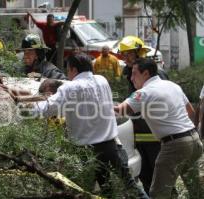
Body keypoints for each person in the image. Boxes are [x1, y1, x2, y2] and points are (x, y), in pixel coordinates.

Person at [34, 52, 148, 198]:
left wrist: (23, 108)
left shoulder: (70, 88)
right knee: (127, 186)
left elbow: (47, 108)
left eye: (68, 70)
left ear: (73, 70)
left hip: (86, 151)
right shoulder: (102, 81)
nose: (68, 74)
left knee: (82, 191)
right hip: (110, 147)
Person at [114, 58, 203, 199]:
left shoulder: (144, 93)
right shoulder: (172, 85)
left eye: (134, 73)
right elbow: (191, 113)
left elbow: (120, 111)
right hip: (194, 141)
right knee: (195, 189)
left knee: (158, 193)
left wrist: (99, 105)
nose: (131, 78)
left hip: (175, 145)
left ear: (146, 73)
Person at [118, 35, 168, 194]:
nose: (125, 58)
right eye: (123, 55)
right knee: (145, 176)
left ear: (139, 53)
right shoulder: (131, 74)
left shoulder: (156, 75)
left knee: (160, 177)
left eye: (129, 54)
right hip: (140, 135)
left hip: (155, 135)